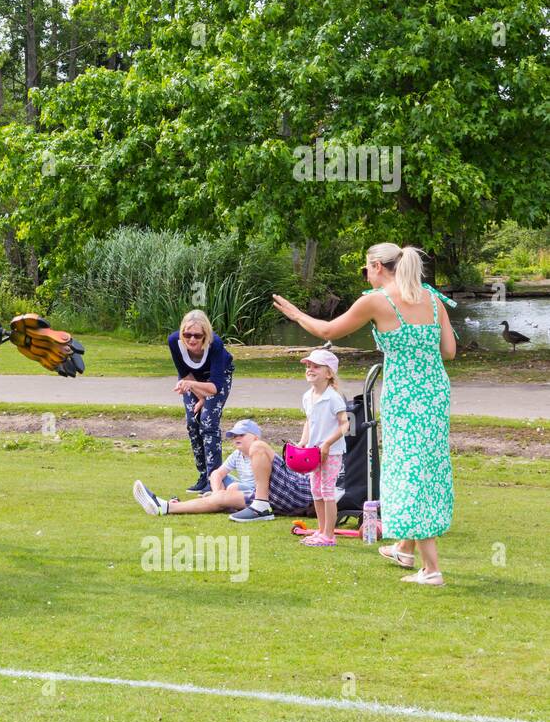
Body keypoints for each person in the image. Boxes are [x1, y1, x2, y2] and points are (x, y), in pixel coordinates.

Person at [273, 243, 456, 586]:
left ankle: (431, 569)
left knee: (408, 471)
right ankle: (403, 549)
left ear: (376, 266)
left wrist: (297, 315)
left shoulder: (378, 300)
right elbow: (449, 350)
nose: (366, 276)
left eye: (365, 269)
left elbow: (328, 332)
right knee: (427, 466)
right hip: (435, 392)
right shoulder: (433, 299)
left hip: (405, 394)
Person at [132, 419, 312, 517]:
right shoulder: (237, 455)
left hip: (297, 490)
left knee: (236, 482)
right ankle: (165, 507)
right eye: (233, 436)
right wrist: (218, 492)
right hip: (274, 500)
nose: (236, 439)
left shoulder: (259, 447)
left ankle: (261, 504)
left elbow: (314, 420)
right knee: (224, 497)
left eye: (241, 435)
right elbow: (217, 474)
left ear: (255, 436)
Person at [168, 309, 234, 494]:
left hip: (217, 379)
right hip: (191, 378)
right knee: (192, 422)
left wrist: (201, 394)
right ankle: (203, 475)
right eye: (187, 335)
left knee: (208, 423)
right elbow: (184, 371)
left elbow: (215, 387)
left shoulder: (215, 344)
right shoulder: (174, 341)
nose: (192, 340)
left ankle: (214, 478)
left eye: (197, 335)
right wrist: (200, 397)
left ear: (205, 334)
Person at [295, 349, 349, 548]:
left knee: (327, 491)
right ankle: (320, 530)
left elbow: (345, 424)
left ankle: (329, 534)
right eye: (308, 366)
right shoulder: (307, 396)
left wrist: (327, 443)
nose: (310, 369)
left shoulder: (333, 398)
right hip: (312, 453)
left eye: (316, 366)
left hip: (332, 453)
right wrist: (303, 441)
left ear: (329, 373)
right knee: (315, 490)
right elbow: (310, 421)